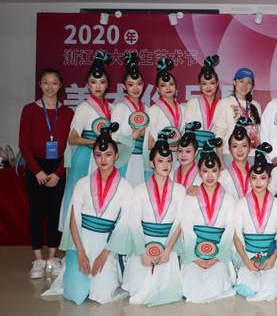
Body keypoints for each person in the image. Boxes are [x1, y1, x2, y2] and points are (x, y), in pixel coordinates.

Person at [41, 124, 132, 304]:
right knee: (77, 295)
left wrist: (103, 255)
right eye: (98, 154)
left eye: (108, 154)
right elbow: (73, 220)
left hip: (107, 246)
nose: (103, 159)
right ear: (93, 156)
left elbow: (123, 226)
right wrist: (81, 253)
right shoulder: (82, 184)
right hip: (81, 243)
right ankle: (74, 269)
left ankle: (112, 271)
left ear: (116, 155)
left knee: (102, 296)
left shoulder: (126, 187)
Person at [19, 68, 73, 278]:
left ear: (60, 86)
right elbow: (23, 145)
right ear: (40, 84)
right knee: (36, 212)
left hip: (58, 166)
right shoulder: (29, 110)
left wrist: (59, 172)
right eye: (45, 82)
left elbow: (70, 146)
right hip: (36, 166)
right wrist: (37, 171)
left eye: (54, 83)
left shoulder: (67, 113)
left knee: (54, 212)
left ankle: (52, 257)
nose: (50, 87)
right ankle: (38, 260)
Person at [121, 134, 185, 306]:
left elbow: (179, 223)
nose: (165, 165)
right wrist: (143, 252)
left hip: (168, 244)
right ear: (151, 163)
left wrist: (168, 250)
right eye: (160, 160)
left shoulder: (180, 190)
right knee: (138, 292)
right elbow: (134, 224)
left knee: (166, 291)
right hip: (143, 244)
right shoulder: (139, 190)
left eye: (169, 161)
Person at [61, 52, 114, 231]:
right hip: (85, 156)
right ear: (87, 85)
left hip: (104, 157)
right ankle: (73, 236)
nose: (98, 86)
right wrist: (92, 142)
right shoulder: (83, 108)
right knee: (79, 196)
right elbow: (72, 138)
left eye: (102, 82)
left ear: (107, 85)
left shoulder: (112, 108)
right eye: (93, 82)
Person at [180, 140, 237, 303]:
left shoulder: (229, 199)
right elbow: (186, 230)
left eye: (214, 171)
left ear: (220, 171)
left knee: (217, 282)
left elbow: (229, 231)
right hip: (194, 252)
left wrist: (217, 257)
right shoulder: (190, 198)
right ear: (199, 172)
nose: (210, 175)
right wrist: (196, 257)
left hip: (219, 253)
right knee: (191, 285)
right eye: (205, 171)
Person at [232, 148, 277, 301]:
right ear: (249, 180)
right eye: (254, 178)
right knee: (246, 289)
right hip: (248, 255)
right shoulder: (241, 204)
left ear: (269, 179)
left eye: (263, 178)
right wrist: (246, 261)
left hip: (270, 256)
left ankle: (274, 275)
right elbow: (236, 235)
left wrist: (273, 258)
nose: (258, 182)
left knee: (270, 290)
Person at [112, 52, 148, 186]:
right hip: (124, 159)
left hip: (143, 159)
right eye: (131, 84)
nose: (136, 88)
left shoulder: (146, 109)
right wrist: (133, 136)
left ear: (143, 85)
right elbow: (113, 138)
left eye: (139, 84)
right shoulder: (119, 108)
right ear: (124, 86)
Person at [215, 67, 262, 162]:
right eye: (241, 81)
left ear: (252, 85)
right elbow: (219, 135)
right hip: (230, 154)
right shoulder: (225, 103)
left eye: (248, 82)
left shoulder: (256, 105)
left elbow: (259, 133)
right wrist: (220, 160)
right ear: (234, 82)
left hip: (252, 155)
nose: (245, 85)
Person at [145, 58, 184, 152]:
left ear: (176, 87)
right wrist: (172, 148)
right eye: (163, 85)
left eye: (171, 84)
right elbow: (149, 143)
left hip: (181, 156)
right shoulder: (153, 110)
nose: (168, 88)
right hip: (161, 155)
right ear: (158, 89)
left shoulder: (183, 108)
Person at [183, 55, 221, 150]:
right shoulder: (192, 103)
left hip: (214, 149)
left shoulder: (222, 105)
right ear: (199, 85)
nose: (208, 87)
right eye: (204, 83)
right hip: (195, 149)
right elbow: (188, 129)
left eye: (212, 83)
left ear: (217, 84)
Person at [219, 118, 260, 199]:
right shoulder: (222, 176)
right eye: (235, 146)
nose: (240, 150)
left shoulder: (258, 174)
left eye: (244, 146)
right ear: (230, 149)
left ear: (249, 149)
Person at [172, 122, 202, 189]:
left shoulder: (202, 173)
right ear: (176, 153)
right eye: (180, 151)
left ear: (196, 152)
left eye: (188, 151)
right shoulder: (172, 173)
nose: (183, 155)